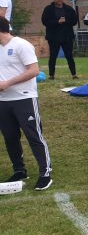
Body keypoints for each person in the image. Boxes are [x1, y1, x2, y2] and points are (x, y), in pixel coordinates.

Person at [0, 17, 52, 190]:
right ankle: (19, 170)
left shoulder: (21, 45)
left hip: (24, 98)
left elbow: (34, 70)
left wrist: (8, 83)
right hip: (3, 101)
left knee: (34, 135)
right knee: (10, 137)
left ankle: (45, 173)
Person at [41, 0, 78, 80]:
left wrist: (66, 20)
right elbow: (44, 21)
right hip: (53, 37)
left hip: (67, 36)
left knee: (69, 56)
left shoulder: (69, 9)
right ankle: (51, 75)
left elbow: (74, 21)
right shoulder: (48, 9)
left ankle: (74, 74)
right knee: (53, 56)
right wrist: (57, 22)